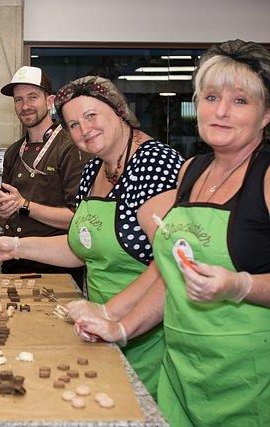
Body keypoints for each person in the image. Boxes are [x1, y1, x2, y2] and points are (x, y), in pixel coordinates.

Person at [73, 40, 270, 426]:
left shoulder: (265, 178)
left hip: (248, 380)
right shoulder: (191, 172)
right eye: (211, 97)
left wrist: (239, 286)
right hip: (181, 375)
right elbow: (171, 276)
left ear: (266, 114)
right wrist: (123, 328)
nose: (222, 111)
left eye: (241, 101)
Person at [0, 75, 184, 398]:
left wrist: (110, 314)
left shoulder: (154, 163)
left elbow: (173, 263)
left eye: (91, 116)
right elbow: (79, 247)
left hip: (148, 335)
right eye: (73, 124)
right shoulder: (93, 170)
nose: (83, 129)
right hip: (100, 330)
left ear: (118, 110)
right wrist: (15, 246)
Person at [0, 66, 91, 287]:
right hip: (14, 262)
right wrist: (2, 211)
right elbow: (2, 218)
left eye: (32, 97)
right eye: (18, 100)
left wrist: (24, 205)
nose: (25, 106)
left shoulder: (71, 149)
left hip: (58, 267)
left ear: (50, 102)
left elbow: (79, 217)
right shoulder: (13, 152)